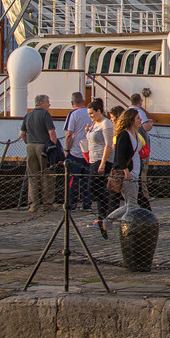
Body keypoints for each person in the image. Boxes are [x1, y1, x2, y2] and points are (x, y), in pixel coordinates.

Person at [19, 94, 58, 213]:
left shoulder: (28, 115)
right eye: (47, 102)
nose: (49, 104)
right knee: (47, 175)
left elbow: (22, 133)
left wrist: (28, 143)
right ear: (41, 103)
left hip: (30, 146)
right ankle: (48, 204)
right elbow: (51, 133)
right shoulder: (45, 114)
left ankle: (33, 205)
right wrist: (54, 146)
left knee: (33, 176)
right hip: (43, 146)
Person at [106, 108, 144, 222]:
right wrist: (125, 171)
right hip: (128, 173)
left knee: (131, 204)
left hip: (136, 172)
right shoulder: (124, 134)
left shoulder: (136, 134)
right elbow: (120, 155)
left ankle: (106, 221)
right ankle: (126, 226)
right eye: (138, 118)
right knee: (132, 205)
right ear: (131, 120)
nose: (140, 120)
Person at [85, 98, 114, 238]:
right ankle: (103, 218)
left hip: (102, 160)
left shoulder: (106, 124)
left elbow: (108, 144)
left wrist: (103, 163)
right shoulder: (94, 124)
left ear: (98, 111)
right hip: (92, 159)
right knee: (97, 188)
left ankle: (108, 211)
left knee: (93, 187)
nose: (90, 116)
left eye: (92, 113)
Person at [63, 92, 92, 211]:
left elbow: (69, 134)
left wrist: (66, 150)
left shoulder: (73, 114)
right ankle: (87, 204)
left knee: (73, 179)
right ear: (83, 100)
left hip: (75, 151)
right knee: (87, 180)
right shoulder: (91, 113)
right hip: (89, 152)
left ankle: (72, 203)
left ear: (72, 102)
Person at [129, 93, 154, 208]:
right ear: (140, 101)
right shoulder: (140, 112)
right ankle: (144, 195)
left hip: (133, 146)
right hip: (141, 146)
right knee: (143, 171)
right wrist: (150, 123)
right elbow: (146, 127)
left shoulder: (127, 111)